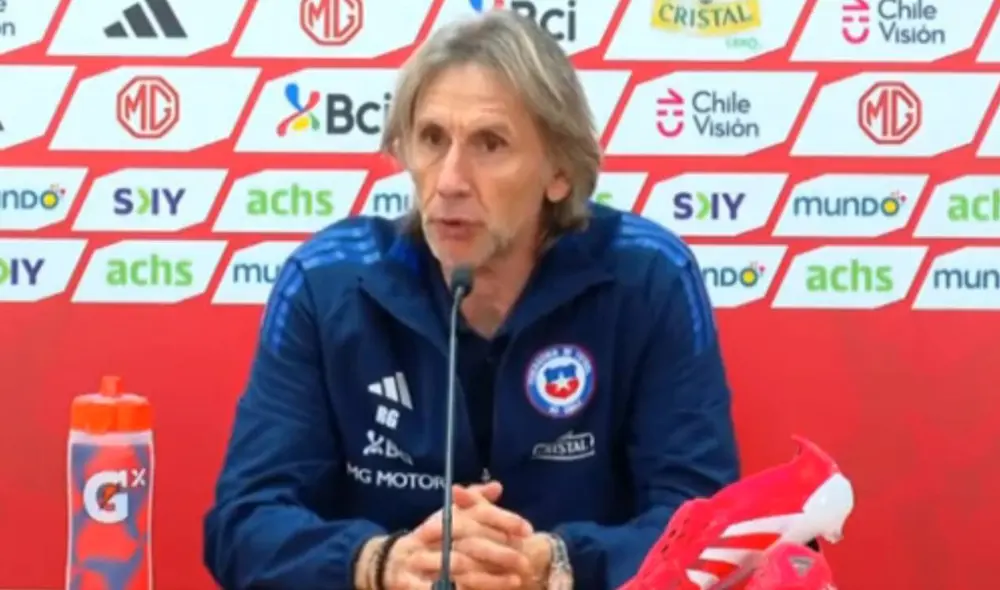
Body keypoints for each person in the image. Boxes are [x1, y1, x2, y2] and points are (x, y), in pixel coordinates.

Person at [203, 9, 739, 590]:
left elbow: (712, 530)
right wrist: (379, 563)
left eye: (490, 143)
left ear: (559, 172)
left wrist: (557, 563)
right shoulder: (328, 284)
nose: (451, 180)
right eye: (432, 139)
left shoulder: (648, 278)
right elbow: (242, 524)